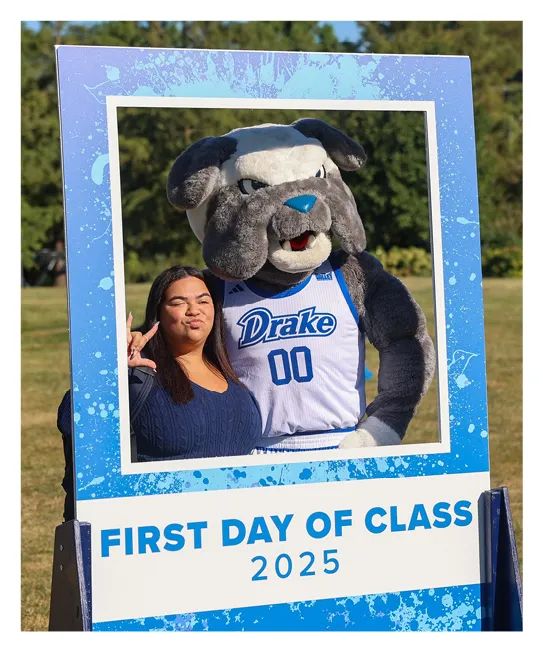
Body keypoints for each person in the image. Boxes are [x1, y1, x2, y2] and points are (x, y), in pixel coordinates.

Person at [58, 266, 262, 520]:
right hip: (163, 533)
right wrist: (108, 371)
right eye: (179, 302)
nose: (194, 310)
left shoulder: (232, 369)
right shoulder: (139, 372)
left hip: (234, 530)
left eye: (203, 300)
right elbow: (72, 421)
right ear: (158, 314)